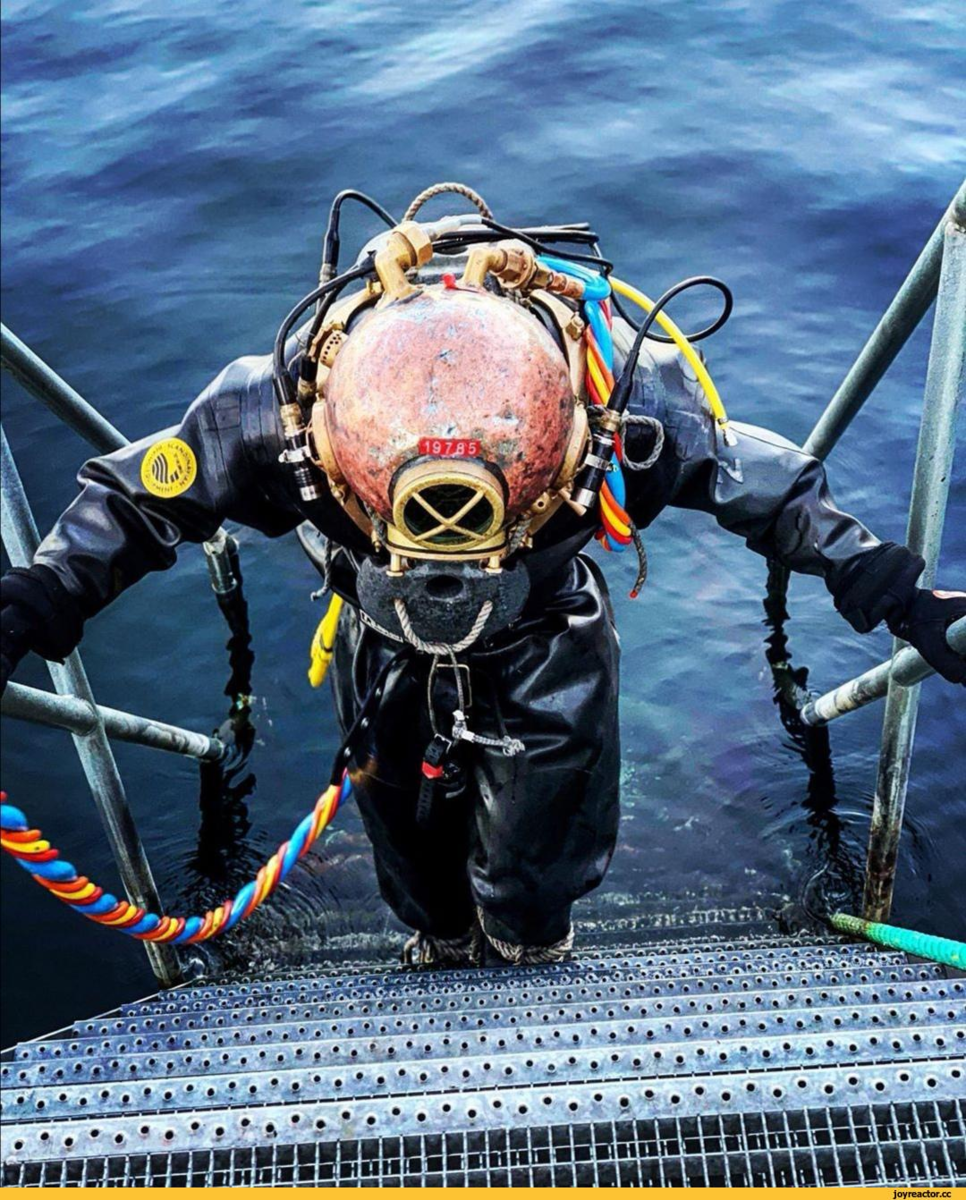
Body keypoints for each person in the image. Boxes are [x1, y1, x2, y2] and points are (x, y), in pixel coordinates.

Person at [2, 184, 963, 968]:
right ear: (336, 459)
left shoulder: (614, 393)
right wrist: (38, 597)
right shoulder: (287, 409)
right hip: (383, 644)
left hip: (547, 641)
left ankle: (526, 940)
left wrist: (894, 587)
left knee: (540, 858)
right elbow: (137, 497)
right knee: (405, 841)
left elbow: (761, 479)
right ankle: (441, 933)